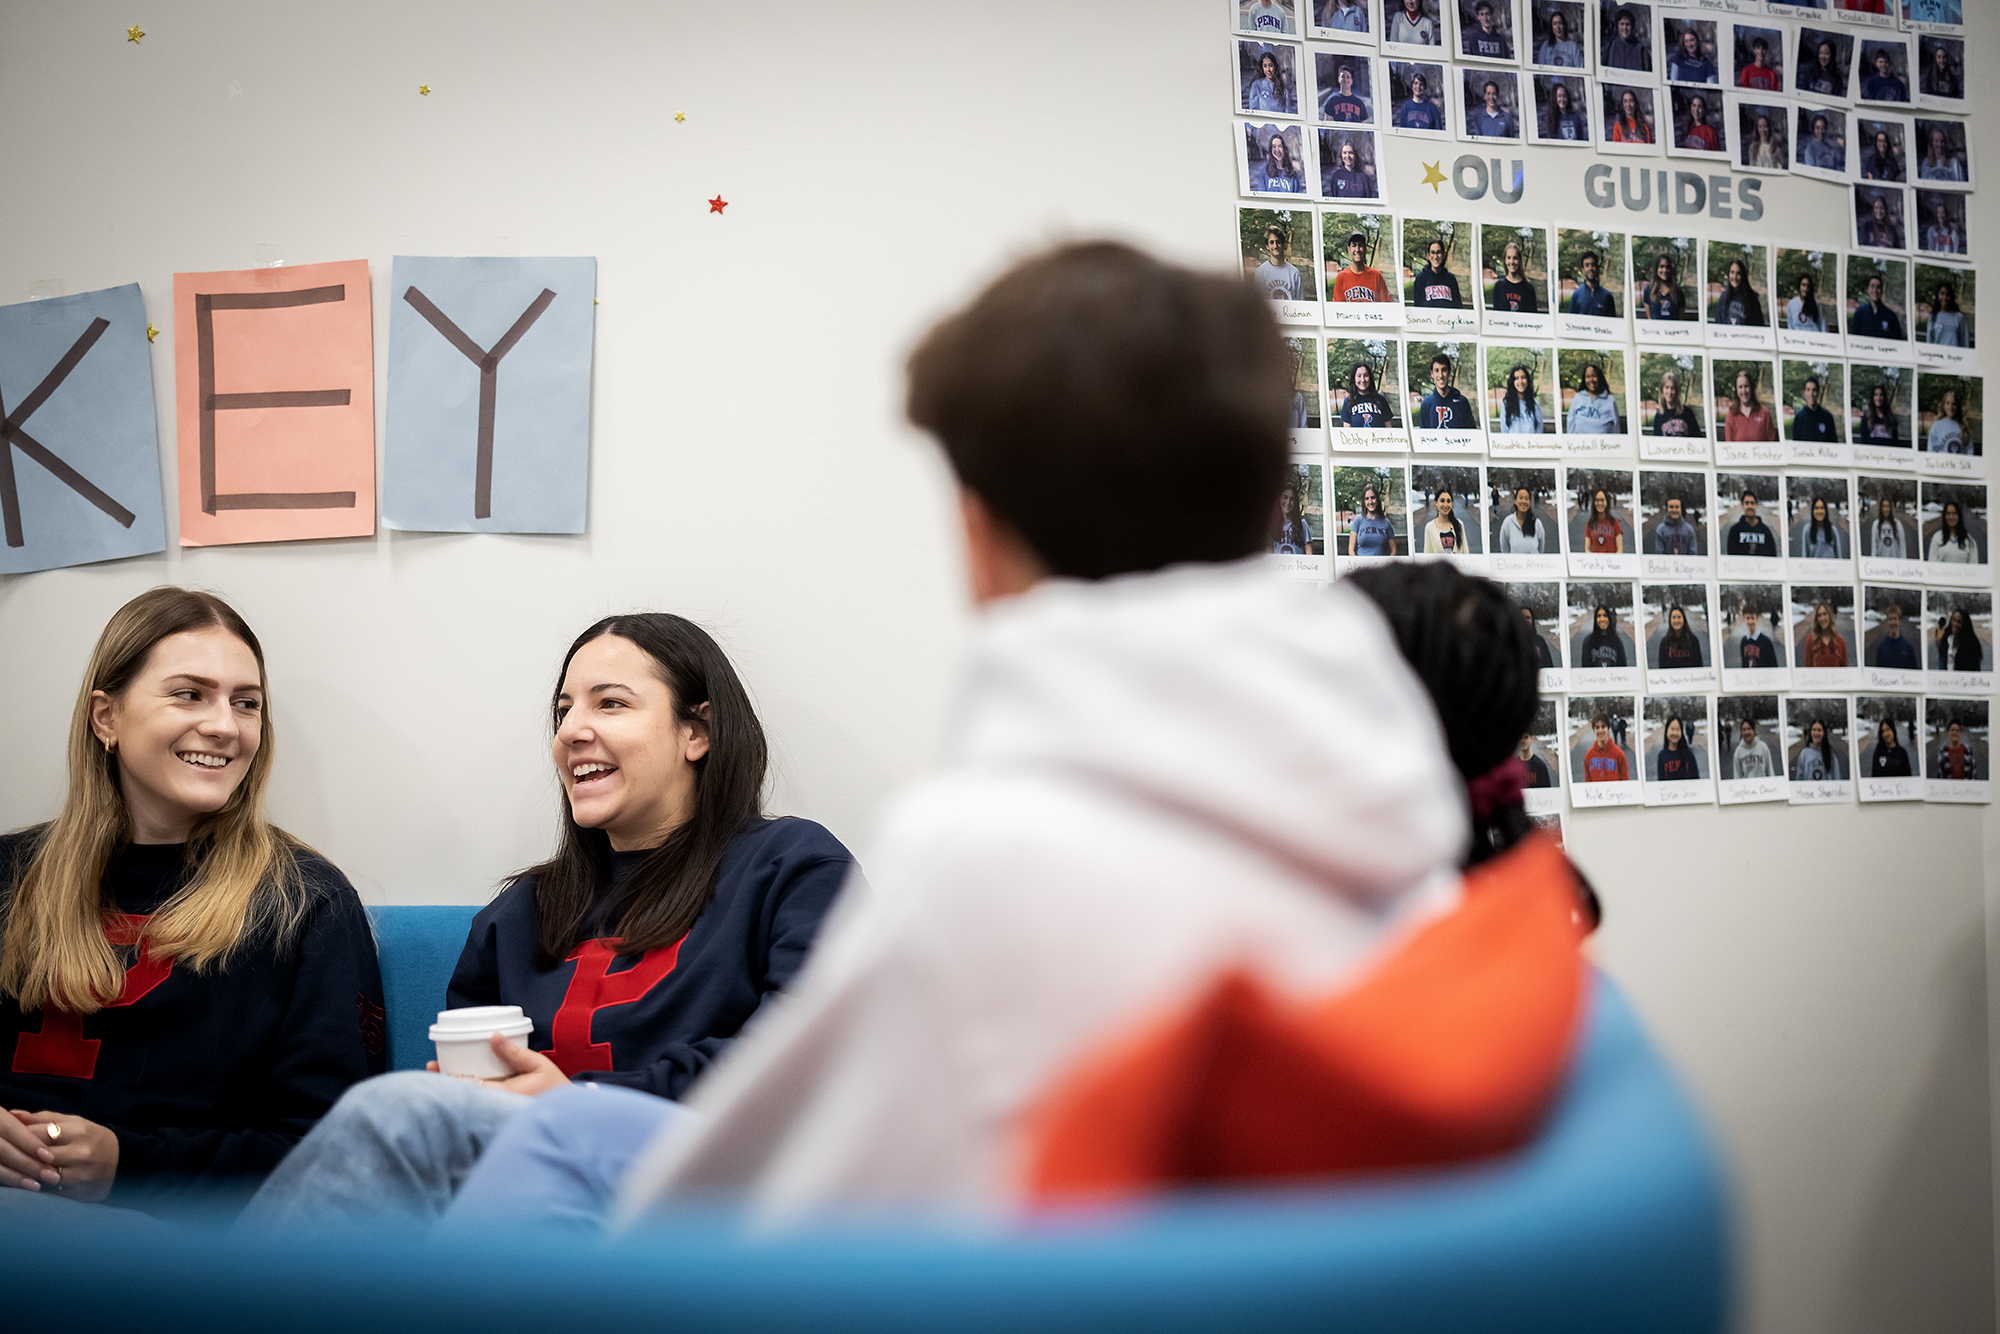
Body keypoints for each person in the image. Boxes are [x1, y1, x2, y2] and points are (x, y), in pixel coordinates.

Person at [587, 241, 1529, 1226]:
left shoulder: (979, 858)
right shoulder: (1404, 817)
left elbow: (759, 1228)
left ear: (976, 535)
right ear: (1265, 500)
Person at [237, 612, 856, 1232]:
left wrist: (576, 1102)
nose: (572, 731)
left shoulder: (791, 867)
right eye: (564, 711)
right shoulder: (520, 913)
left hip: (706, 1178)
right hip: (529, 1192)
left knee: (396, 1115)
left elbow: (806, 1057)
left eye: (610, 704)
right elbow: (471, 1085)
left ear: (697, 732)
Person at [0, 588, 384, 1215]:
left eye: (247, 703)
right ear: (107, 718)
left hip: (169, 1240)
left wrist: (133, 1164)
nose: (225, 726)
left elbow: (331, 1155)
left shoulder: (305, 902)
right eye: (189, 693)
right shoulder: (8, 876)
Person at [1418, 351, 1475, 430]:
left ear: (1449, 373)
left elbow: (1471, 434)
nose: (1440, 375)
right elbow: (1424, 437)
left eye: (1444, 370)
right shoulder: (1426, 405)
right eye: (1437, 370)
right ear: (1432, 374)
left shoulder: (1462, 403)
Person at [1329, 230, 1390, 301]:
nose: (1357, 249)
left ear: (1365, 249)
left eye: (1360, 245)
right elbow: (1338, 307)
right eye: (1354, 245)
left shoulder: (1376, 276)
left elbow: (1384, 306)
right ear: (1349, 250)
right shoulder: (1341, 277)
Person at [1251, 225, 1305, 303]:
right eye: (1271, 242)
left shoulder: (1294, 274)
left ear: (1283, 245)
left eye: (1278, 242)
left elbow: (1301, 304)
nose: (1275, 246)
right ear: (1267, 246)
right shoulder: (1260, 272)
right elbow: (1257, 303)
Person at [1723, 368, 1777, 442]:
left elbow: (1772, 442)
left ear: (1751, 388)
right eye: (1740, 387)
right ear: (1736, 390)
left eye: (1746, 386)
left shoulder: (1764, 413)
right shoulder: (1731, 415)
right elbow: (1729, 445)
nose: (1744, 391)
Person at [1566, 362, 1619, 433]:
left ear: (1599, 378)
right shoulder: (1578, 398)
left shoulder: (1610, 401)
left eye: (1594, 376)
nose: (1591, 380)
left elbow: (1616, 427)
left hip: (1602, 443)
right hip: (1580, 443)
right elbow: (1570, 423)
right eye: (1588, 377)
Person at [1340, 360, 1394, 429]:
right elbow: (1347, 430)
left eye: (1366, 375)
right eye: (1359, 376)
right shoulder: (1348, 401)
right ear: (1354, 378)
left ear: (1370, 378)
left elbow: (1389, 427)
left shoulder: (1380, 400)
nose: (1363, 380)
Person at [1648, 369, 1702, 438]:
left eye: (1672, 388)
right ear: (1662, 390)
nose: (1669, 392)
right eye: (1667, 387)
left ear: (1677, 391)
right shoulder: (1659, 416)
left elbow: (1697, 437)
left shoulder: (1687, 412)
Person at [1411, 236, 1463, 307]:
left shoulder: (1451, 279)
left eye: (1438, 252)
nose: (1435, 257)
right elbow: (1418, 306)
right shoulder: (1421, 279)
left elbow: (1458, 306)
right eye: (1432, 253)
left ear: (1444, 255)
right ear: (1428, 256)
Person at [1850, 274, 1905, 341]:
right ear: (1868, 290)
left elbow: (1897, 340)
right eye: (1872, 286)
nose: (1875, 290)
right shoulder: (1860, 313)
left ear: (1882, 291)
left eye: (1878, 287)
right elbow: (1854, 338)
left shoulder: (1890, 316)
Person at [1712, 259, 1766, 327]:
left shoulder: (1752, 299)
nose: (1734, 277)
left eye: (1738, 273)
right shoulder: (1724, 297)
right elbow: (1718, 323)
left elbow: (1759, 325)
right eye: (1732, 272)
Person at [1348, 481, 1398, 555]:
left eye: (1373, 498)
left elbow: (1393, 549)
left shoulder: (1386, 522)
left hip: (1381, 565)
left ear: (1377, 499)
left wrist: (1388, 564)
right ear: (1364, 502)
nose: (1370, 501)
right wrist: (1357, 564)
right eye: (1367, 499)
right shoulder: (1358, 520)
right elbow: (1351, 550)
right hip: (1362, 565)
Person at [1725, 489, 1778, 557]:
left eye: (1752, 503)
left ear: (1756, 505)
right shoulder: (1735, 531)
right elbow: (1731, 556)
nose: (1750, 506)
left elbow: (1772, 556)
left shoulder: (1765, 531)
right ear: (1742, 505)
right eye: (1747, 503)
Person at [1489, 241, 1538, 313]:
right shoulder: (1499, 286)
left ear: (1519, 260)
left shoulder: (1528, 289)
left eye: (1515, 258)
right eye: (1509, 258)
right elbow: (1497, 316)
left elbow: (1532, 317)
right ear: (1505, 260)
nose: (1512, 262)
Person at [1272, 478, 1317, 554]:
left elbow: (1309, 553)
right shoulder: (1273, 525)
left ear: (1295, 502)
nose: (1288, 502)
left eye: (1292, 499)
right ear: (1279, 499)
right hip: (1278, 565)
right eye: (1285, 497)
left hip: (1298, 565)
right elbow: (1268, 552)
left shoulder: (1302, 524)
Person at [1498, 486, 1548, 554]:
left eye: (1526, 498)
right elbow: (1504, 550)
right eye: (1520, 498)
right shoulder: (1508, 523)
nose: (1523, 501)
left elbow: (1541, 549)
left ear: (1530, 502)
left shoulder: (1537, 524)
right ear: (1515, 501)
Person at [1499, 364, 1545, 435]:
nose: (1520, 381)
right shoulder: (1506, 405)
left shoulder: (1535, 404)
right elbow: (1504, 431)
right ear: (1512, 382)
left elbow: (1539, 429)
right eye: (1516, 378)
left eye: (1523, 377)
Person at [1567, 251, 1615, 317]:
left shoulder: (1607, 296)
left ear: (1597, 268)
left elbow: (1612, 323)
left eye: (1593, 265)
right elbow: (1572, 321)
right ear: (1583, 270)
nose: (1590, 268)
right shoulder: (1577, 295)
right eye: (1587, 265)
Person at [1419, 488, 1467, 554]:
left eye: (1448, 501)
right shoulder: (1429, 527)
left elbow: (1466, 552)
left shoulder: (1459, 524)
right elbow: (1427, 555)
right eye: (1442, 501)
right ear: (1436, 503)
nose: (1445, 505)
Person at [1873, 602, 1920, 670]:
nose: (1893, 622)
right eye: (1890, 619)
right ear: (1887, 621)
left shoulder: (1908, 648)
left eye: (1895, 618)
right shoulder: (1881, 648)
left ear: (1899, 621)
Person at [1801, 601, 1848, 668]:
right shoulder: (1811, 640)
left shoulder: (1840, 641)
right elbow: (1808, 668)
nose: (1822, 618)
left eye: (1824, 614)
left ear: (1829, 616)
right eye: (1819, 615)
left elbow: (1844, 670)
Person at [1928, 499, 1977, 564]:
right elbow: (1932, 563)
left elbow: (1973, 566)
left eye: (1954, 513)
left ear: (1959, 516)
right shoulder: (1937, 537)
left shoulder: (1969, 541)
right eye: (1948, 513)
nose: (1951, 517)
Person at [1936, 607, 1984, 672]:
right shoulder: (1946, 639)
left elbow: (1974, 669)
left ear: (1964, 624)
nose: (1955, 624)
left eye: (1959, 622)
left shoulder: (1972, 644)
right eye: (1953, 620)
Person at [1582, 715, 1630, 781]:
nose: (1600, 730)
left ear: (1609, 729)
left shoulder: (1619, 753)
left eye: (1603, 726)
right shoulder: (1589, 755)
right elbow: (1587, 782)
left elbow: (1625, 780)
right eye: (1597, 727)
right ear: (1594, 730)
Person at [1791, 376, 1838, 443]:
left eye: (1814, 390)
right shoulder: (1799, 418)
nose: (1811, 394)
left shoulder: (1827, 417)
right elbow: (1796, 443)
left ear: (1818, 393)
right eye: (1808, 390)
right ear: (1804, 393)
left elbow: (1833, 443)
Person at [1642, 251, 1686, 322]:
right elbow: (1649, 318)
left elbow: (1681, 318)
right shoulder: (1648, 290)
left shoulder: (1678, 292)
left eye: (1667, 267)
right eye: (1661, 266)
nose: (1665, 270)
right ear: (1656, 269)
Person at [1245, 49, 1292, 115]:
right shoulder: (1256, 85)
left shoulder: (1283, 88)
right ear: (1262, 68)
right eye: (1265, 66)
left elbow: (1288, 112)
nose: (1268, 69)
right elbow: (1253, 111)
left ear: (1275, 66)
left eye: (1270, 65)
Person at [1798, 495, 1845, 559]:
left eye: (1822, 508)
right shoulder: (1807, 530)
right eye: (1816, 508)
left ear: (1825, 510)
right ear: (1813, 511)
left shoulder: (1833, 530)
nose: (1819, 511)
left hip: (1830, 568)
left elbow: (1838, 557)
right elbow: (1805, 556)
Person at [1655, 716, 1700, 782]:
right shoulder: (1662, 756)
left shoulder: (1688, 755)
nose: (1675, 733)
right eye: (1672, 729)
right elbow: (1661, 781)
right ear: (1666, 731)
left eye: (1678, 729)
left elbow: (1696, 780)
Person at [1859, 381, 1902, 449]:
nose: (1878, 398)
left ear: (1884, 397)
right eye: (1876, 395)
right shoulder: (1866, 418)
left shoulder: (1892, 419)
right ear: (1872, 397)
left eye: (1881, 395)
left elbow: (1895, 442)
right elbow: (1863, 442)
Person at [1867, 493, 1909, 560]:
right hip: (1881, 561)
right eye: (1884, 506)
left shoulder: (1897, 524)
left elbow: (1902, 546)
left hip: (1895, 561)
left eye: (1888, 506)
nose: (1886, 509)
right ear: (1881, 508)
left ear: (1890, 508)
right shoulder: (1876, 524)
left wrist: (1903, 561)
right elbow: (1874, 547)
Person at [1737, 603, 1780, 669]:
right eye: (1747, 618)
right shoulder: (1744, 642)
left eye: (1752, 618)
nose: (1750, 621)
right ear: (1744, 619)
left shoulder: (1766, 642)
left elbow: (1774, 667)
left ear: (1757, 618)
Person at [1581, 489, 1623, 554]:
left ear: (1607, 502)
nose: (1600, 503)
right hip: (1596, 563)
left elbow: (1620, 550)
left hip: (1611, 563)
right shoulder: (1589, 524)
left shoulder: (1615, 523)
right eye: (1597, 500)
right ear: (1594, 503)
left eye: (1602, 500)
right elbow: (1587, 549)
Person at [1927, 281, 1967, 348]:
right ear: (1937, 295)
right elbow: (1929, 342)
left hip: (1954, 357)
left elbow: (1965, 343)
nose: (1944, 298)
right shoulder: (1933, 317)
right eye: (1942, 293)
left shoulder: (1959, 317)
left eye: (1948, 295)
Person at [1927, 388, 1966, 454]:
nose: (1950, 407)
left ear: (1957, 406)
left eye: (1954, 404)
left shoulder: (1963, 427)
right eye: (1948, 403)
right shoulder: (1937, 425)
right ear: (1943, 405)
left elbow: (1969, 450)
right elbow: (1931, 449)